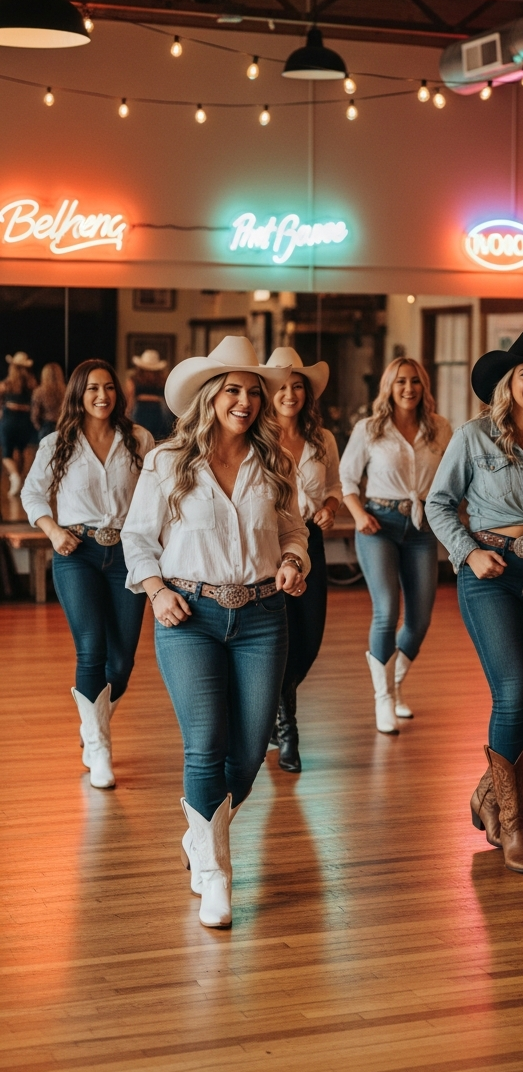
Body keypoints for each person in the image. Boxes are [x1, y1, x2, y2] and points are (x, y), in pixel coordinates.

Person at [121, 337, 309, 929]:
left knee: (250, 752)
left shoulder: (274, 460)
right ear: (210, 396)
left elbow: (292, 529)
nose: (246, 402)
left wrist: (294, 562)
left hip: (261, 615)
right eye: (234, 390)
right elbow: (137, 538)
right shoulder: (167, 461)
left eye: (255, 393)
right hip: (189, 617)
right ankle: (216, 876)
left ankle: (200, 834)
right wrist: (156, 591)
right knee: (206, 744)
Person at [426, 332, 523, 875]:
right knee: (513, 692)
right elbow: (439, 504)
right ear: (508, 385)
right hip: (489, 573)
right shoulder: (474, 437)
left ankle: (490, 791)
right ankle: (515, 825)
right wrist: (468, 554)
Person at [21, 360, 153, 788]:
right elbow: (32, 493)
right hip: (76, 552)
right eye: (93, 388)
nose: (102, 395)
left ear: (119, 393)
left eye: (109, 387)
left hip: (128, 555)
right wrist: (53, 530)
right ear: (77, 394)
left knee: (122, 662)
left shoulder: (139, 440)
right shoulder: (57, 443)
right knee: (92, 649)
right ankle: (98, 749)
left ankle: (91, 720)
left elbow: (156, 497)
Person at [339, 357, 451, 733]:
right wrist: (358, 515)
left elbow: (451, 481)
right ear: (389, 386)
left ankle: (396, 683)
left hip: (421, 528)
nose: (408, 388)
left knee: (419, 621)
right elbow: (347, 480)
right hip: (378, 525)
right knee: (387, 611)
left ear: (424, 387)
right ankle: (382, 699)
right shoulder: (369, 429)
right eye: (401, 381)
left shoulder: (440, 429)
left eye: (415, 381)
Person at [264, 347, 342, 772]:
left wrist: (330, 507)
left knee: (309, 638)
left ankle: (278, 707)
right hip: (267, 544)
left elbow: (334, 485)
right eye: (283, 387)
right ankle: (287, 726)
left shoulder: (321, 439)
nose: (290, 394)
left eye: (298, 387)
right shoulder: (255, 437)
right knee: (282, 635)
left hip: (310, 540)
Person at [1, 350, 38, 498]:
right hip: (25, 421)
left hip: (9, 420)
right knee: (21, 451)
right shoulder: (32, 384)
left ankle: (15, 476)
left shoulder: (7, 384)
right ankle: (20, 481)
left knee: (7, 454)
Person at [126, 349, 174, 442]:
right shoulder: (163, 380)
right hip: (155, 412)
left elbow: (130, 401)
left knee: (141, 441)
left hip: (147, 412)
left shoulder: (133, 380)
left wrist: (127, 415)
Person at [30, 362, 66, 441]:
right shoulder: (66, 391)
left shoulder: (39, 392)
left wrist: (39, 427)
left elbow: (35, 415)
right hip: (63, 426)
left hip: (46, 426)